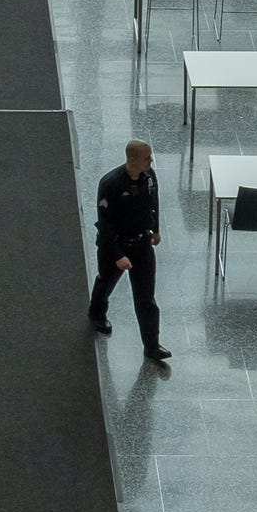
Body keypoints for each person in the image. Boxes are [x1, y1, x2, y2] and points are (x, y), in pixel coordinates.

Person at [88, 140, 168, 362]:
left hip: (142, 244)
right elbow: (105, 224)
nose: (150, 161)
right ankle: (96, 313)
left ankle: (151, 345)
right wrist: (118, 255)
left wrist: (156, 229)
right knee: (106, 281)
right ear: (132, 159)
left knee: (146, 298)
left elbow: (154, 202)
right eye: (146, 157)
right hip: (116, 244)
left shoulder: (149, 176)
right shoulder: (110, 184)